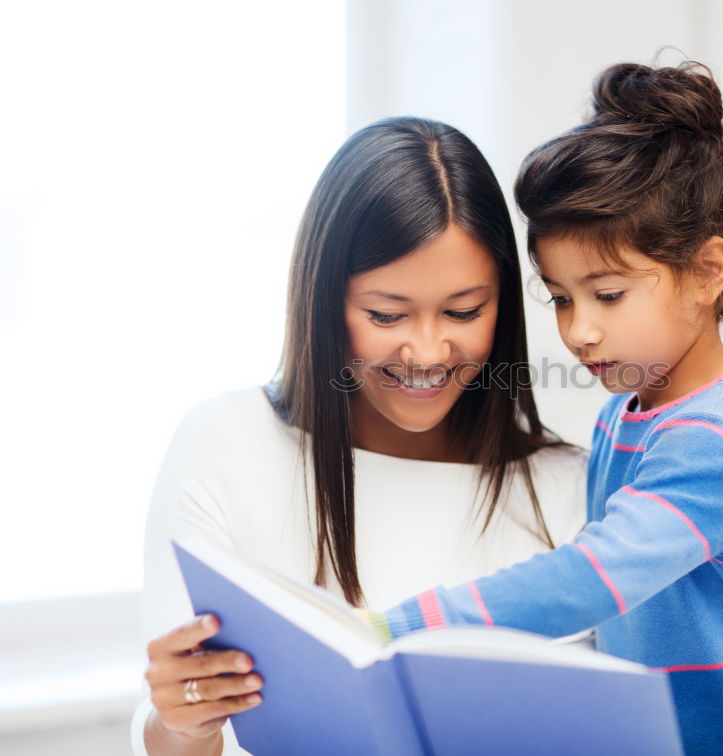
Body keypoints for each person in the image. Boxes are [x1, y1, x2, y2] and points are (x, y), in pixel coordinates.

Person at [363, 63, 723, 755]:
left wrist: (398, 630)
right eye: (559, 297)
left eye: (607, 294)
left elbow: (593, 578)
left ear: (707, 271)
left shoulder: (721, 436)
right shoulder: (629, 411)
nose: (579, 330)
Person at [131, 117, 588, 756]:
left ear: (504, 303)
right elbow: (181, 730)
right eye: (386, 314)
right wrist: (181, 725)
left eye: (463, 311)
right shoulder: (225, 445)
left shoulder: (571, 489)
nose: (428, 351)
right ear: (323, 301)